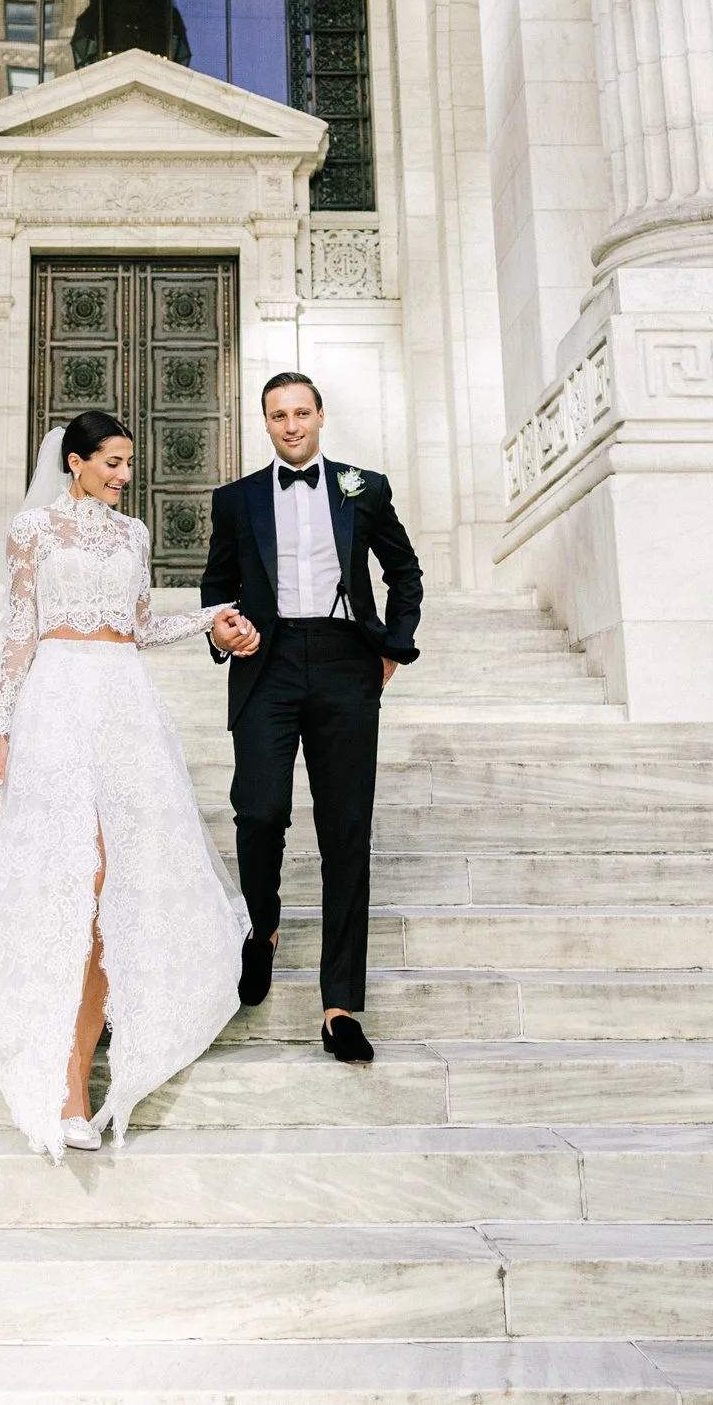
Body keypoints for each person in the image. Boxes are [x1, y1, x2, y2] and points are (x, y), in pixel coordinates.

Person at [0, 409, 257, 1158]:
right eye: (112, 463)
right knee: (76, 870)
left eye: (128, 463)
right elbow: (21, 632)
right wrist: (1, 729)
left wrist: (212, 618)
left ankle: (88, 1046)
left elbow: (142, 625)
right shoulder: (33, 532)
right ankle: (66, 1081)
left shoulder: (133, 535)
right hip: (55, 698)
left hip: (123, 701)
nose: (124, 476)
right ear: (76, 463)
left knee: (114, 873)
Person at [201, 372, 424, 1063]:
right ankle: (262, 927)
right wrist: (221, 628)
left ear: (320, 416)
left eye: (301, 412)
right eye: (277, 415)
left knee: (345, 831)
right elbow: (216, 587)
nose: (291, 425)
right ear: (263, 423)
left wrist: (392, 645)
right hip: (265, 663)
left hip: (341, 659)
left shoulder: (365, 486)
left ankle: (339, 1007)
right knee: (260, 810)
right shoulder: (235, 500)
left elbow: (403, 570)